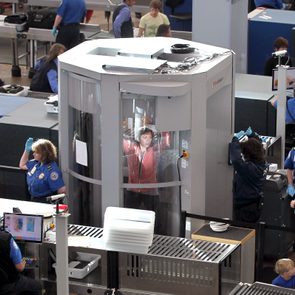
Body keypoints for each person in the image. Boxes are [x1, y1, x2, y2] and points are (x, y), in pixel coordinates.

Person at [123, 127, 169, 233]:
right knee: (129, 217)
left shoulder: (154, 150)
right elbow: (121, 138)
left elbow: (166, 143)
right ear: (139, 138)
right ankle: (130, 236)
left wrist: (165, 126)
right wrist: (125, 129)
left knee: (154, 218)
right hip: (133, 189)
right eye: (145, 137)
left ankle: (157, 239)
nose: (148, 140)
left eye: (150, 138)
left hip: (150, 190)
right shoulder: (131, 148)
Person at [230, 131, 267, 223]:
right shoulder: (261, 162)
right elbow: (259, 145)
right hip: (254, 205)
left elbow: (236, 160)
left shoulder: (250, 169)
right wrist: (252, 135)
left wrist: (235, 140)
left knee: (243, 233)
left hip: (246, 209)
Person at [19, 138, 66, 203]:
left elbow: (62, 191)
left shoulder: (52, 170)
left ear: (44, 153)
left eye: (36, 152)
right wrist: (26, 150)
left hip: (45, 201)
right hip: (33, 198)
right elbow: (22, 165)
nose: (33, 154)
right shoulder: (36, 163)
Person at [0, 230, 42, 295]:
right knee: (37, 286)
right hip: (7, 285)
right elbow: (20, 268)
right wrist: (23, 261)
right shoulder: (6, 238)